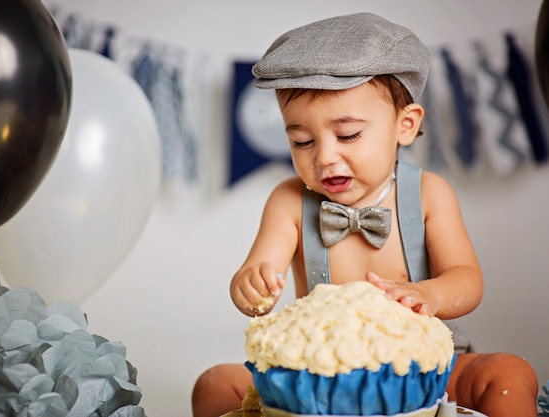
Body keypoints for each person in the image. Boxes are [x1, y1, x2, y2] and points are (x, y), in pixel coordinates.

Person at [191, 12, 538, 417]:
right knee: (215, 383)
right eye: (302, 141)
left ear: (405, 125)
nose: (324, 157)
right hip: (318, 372)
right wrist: (251, 286)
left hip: (423, 367)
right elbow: (259, 269)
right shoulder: (289, 200)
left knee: (509, 373)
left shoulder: (428, 194)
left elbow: (467, 279)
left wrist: (429, 294)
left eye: (348, 135)